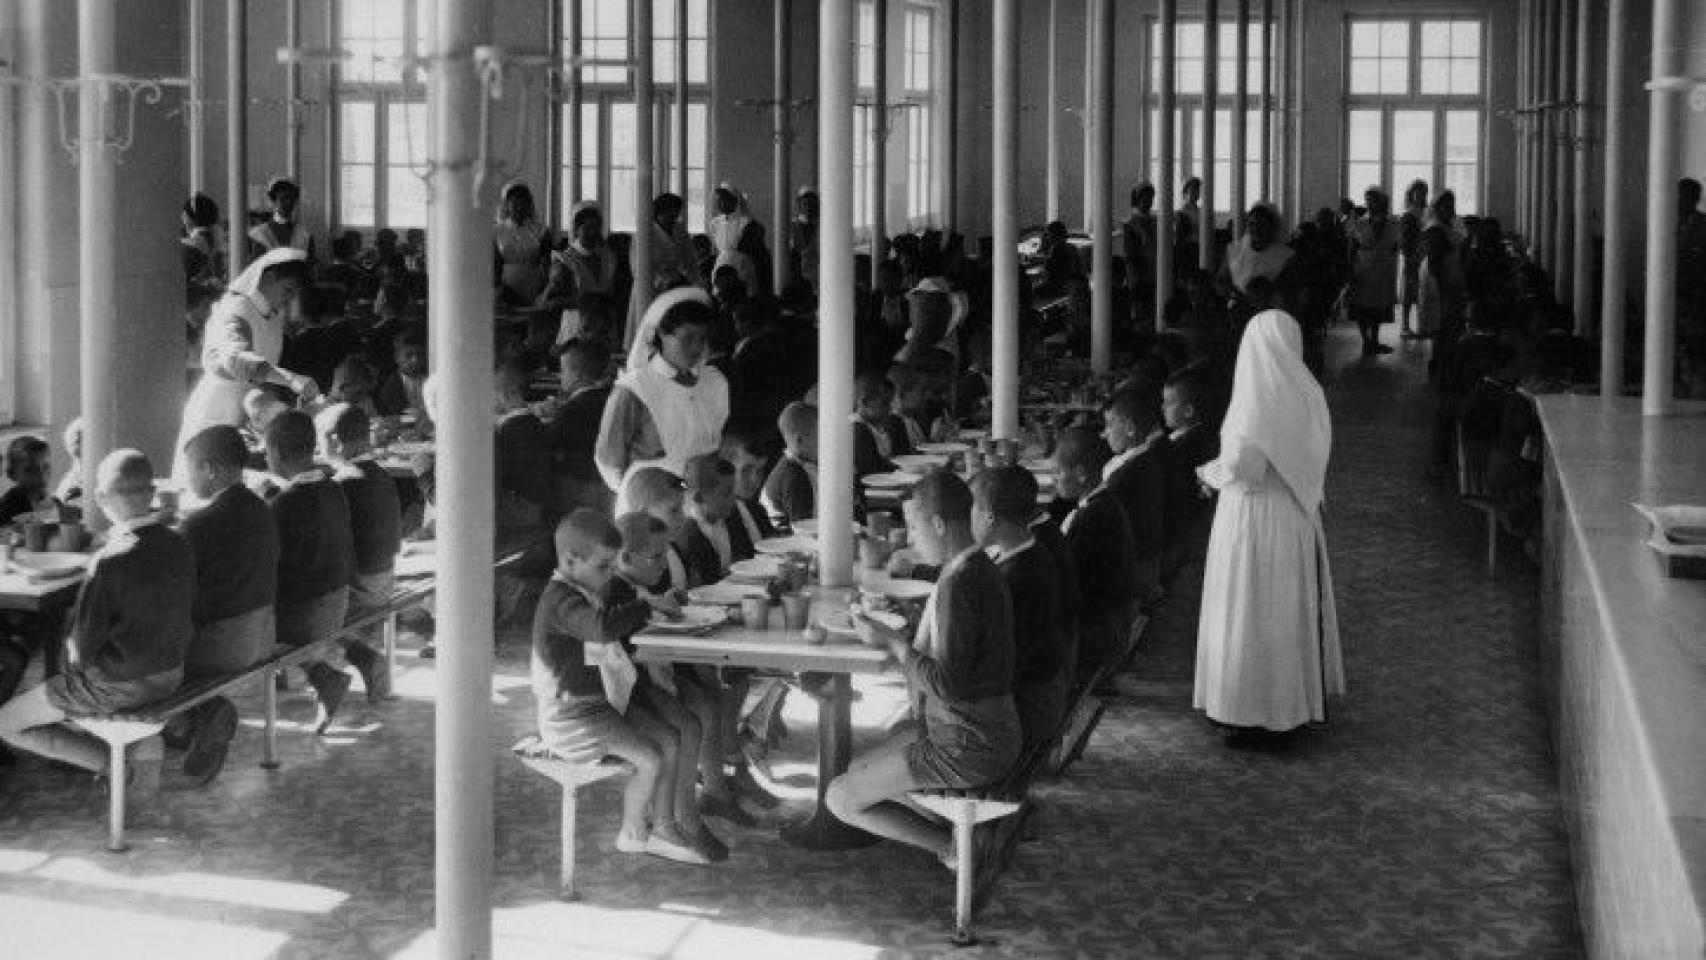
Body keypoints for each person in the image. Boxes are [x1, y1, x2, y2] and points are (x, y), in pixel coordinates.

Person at [829, 470, 1020, 867]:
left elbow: (948, 685)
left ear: (937, 524)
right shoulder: (980, 566)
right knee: (856, 768)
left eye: (914, 526)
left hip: (965, 744)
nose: (911, 538)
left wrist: (891, 641)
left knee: (839, 797)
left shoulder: (960, 584)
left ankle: (952, 849)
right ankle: (958, 831)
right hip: (994, 730)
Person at [0, 450, 193, 799]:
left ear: (102, 499)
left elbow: (81, 651)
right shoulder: (178, 543)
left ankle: (112, 766)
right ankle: (135, 755)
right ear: (152, 493)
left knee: (7, 723)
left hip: (117, 686)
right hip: (169, 675)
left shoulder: (109, 561)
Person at [1193, 309, 1344, 748]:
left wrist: (1207, 474)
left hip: (1252, 521)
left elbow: (1243, 466)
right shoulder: (1308, 393)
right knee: (1284, 614)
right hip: (1294, 517)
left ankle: (1251, 713)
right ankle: (1286, 709)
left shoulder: (1256, 396)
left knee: (1250, 612)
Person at [532, 509, 714, 865]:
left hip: (600, 705)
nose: (610, 575)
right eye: (604, 567)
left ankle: (663, 825)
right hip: (571, 717)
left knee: (670, 740)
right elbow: (601, 628)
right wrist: (645, 607)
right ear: (570, 561)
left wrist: (649, 606)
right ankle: (633, 833)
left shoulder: (582, 588)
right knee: (648, 759)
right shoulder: (560, 600)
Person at [173, 425, 278, 784]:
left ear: (211, 469)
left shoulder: (200, 524)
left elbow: (177, 587)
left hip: (221, 646)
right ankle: (187, 722)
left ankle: (205, 712)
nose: (187, 479)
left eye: (190, 469)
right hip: (262, 635)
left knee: (138, 654)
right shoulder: (263, 510)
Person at [174, 248, 317, 488]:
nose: (290, 300)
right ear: (268, 278)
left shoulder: (272, 316)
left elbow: (258, 381)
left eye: (295, 294)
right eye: (288, 290)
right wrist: (290, 379)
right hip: (216, 412)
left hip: (242, 415)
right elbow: (235, 361)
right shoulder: (236, 309)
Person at [596, 289, 730, 514]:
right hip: (653, 507)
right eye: (687, 338)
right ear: (661, 335)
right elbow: (609, 461)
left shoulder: (714, 383)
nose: (696, 348)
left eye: (702, 338)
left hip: (704, 501)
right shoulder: (636, 387)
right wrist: (646, 490)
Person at [264, 411, 357, 733]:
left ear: (274, 452)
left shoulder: (283, 504)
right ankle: (325, 674)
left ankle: (324, 676)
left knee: (235, 619)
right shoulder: (332, 489)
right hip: (338, 601)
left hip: (307, 615)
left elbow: (268, 564)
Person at [971, 467, 1065, 756]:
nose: (968, 518)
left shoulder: (1016, 577)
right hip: (1041, 692)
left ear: (989, 517)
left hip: (1028, 708)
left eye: (971, 508)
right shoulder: (1031, 550)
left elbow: (993, 664)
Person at [317, 403, 400, 702]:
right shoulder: (383, 475)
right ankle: (364, 658)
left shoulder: (343, 483)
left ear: (334, 441)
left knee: (299, 606)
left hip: (361, 588)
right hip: (385, 578)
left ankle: (348, 664)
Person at [1050, 427, 1136, 686]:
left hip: (1100, 634)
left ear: (1080, 473)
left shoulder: (1095, 519)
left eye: (1057, 473)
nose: (1053, 480)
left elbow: (1071, 586)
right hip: (1107, 622)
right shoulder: (1099, 503)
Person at [1100, 388, 1168, 605]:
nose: (1105, 433)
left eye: (1110, 425)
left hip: (1134, 565)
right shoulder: (1144, 459)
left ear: (1129, 428)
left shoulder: (1126, 475)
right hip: (1146, 558)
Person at [547, 339, 616, 515]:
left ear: (577, 376)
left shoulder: (571, 412)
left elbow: (548, 447)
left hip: (580, 491)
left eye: (562, 371)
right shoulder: (611, 399)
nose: (560, 376)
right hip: (609, 487)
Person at [1348, 187, 1403, 355]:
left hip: (1383, 269)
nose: (1370, 204)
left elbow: (1395, 246)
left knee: (1378, 307)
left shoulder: (1393, 223)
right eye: (1368, 201)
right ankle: (1366, 341)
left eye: (1374, 200)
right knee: (1362, 306)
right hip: (1363, 268)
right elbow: (1351, 248)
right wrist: (1350, 269)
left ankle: (1374, 340)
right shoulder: (1359, 223)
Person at [493, 180, 554, 308]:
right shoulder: (497, 231)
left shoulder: (541, 230)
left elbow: (546, 262)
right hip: (505, 286)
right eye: (515, 204)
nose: (520, 208)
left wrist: (544, 290)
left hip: (534, 283)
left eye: (524, 204)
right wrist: (497, 288)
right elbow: (495, 264)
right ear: (507, 205)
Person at [762, 401, 818, 529]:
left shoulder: (803, 464)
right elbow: (804, 527)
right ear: (800, 440)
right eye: (821, 436)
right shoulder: (794, 475)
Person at [708, 184, 770, 297]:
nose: (722, 204)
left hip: (742, 266)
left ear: (735, 201)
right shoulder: (715, 223)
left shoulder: (747, 223)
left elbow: (756, 252)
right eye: (719, 201)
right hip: (721, 265)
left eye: (725, 200)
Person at [649, 192, 704, 295]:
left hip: (676, 284)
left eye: (677, 212)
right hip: (650, 288)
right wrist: (663, 282)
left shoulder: (679, 230)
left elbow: (690, 260)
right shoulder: (646, 233)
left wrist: (696, 283)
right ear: (660, 211)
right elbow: (638, 268)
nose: (674, 215)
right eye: (670, 212)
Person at [248, 178, 315, 260]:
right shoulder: (258, 235)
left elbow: (311, 266)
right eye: (283, 199)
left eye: (291, 199)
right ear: (273, 201)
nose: (288, 203)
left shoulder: (304, 236)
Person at [1124, 183, 1159, 329]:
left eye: (1151, 198)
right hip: (1139, 271)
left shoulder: (1153, 220)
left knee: (1151, 306)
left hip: (1153, 268)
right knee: (1139, 307)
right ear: (1137, 199)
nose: (1149, 201)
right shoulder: (1131, 223)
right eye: (1145, 198)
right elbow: (1130, 251)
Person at [1397, 180, 1429, 338]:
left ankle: (1423, 325)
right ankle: (1405, 325)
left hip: (1426, 256)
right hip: (1413, 257)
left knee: (1424, 293)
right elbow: (1404, 240)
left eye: (1424, 193)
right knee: (1410, 293)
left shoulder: (1428, 211)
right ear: (1412, 194)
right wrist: (1410, 257)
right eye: (1418, 193)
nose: (1421, 196)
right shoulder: (1408, 214)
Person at [377, 326, 430, 419]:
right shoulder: (391, 386)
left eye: (419, 354)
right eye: (409, 355)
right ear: (397, 358)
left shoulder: (430, 378)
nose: (415, 360)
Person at [0, 436, 52, 525]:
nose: (41, 476)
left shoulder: (46, 500)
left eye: (45, 467)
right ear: (11, 474)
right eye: (30, 470)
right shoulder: (7, 508)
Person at [790, 187, 820, 294]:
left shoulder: (824, 227)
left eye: (812, 204)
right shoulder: (791, 227)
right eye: (805, 203)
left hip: (819, 280)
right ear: (799, 205)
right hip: (798, 281)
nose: (809, 208)